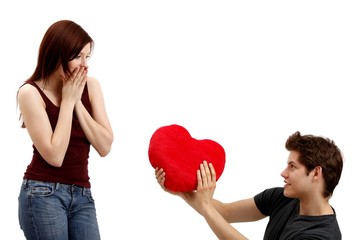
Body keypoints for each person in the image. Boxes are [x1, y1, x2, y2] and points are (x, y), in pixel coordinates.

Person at [16, 20, 114, 240]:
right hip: (42, 193)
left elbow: (105, 145)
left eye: (87, 56)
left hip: (82, 194)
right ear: (58, 54)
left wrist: (77, 101)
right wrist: (68, 102)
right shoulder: (30, 93)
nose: (85, 65)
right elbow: (55, 156)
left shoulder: (92, 86)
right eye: (78, 56)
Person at [155, 131, 343, 240]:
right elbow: (225, 212)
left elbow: (212, 210)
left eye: (292, 166)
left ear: (316, 173)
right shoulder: (282, 198)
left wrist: (205, 206)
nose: (283, 173)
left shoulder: (321, 236)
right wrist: (181, 190)